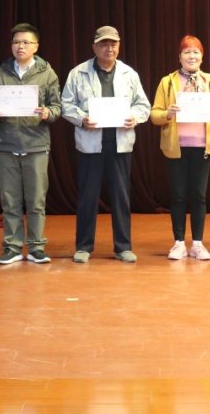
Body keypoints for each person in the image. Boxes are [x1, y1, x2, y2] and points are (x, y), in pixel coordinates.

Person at [61, 26, 150, 263]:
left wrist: (134, 117)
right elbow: (66, 105)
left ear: (119, 47)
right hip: (90, 144)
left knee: (121, 197)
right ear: (94, 47)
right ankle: (83, 247)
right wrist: (82, 118)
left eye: (113, 44)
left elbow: (143, 105)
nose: (109, 48)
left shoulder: (129, 74)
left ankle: (123, 247)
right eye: (103, 44)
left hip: (120, 144)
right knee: (87, 197)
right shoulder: (78, 73)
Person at [0, 23, 63, 265]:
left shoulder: (48, 74)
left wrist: (48, 113)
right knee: (10, 201)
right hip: (5, 144)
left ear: (36, 46)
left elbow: (57, 107)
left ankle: (36, 247)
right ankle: (12, 247)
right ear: (11, 46)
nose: (21, 46)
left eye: (26, 42)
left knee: (36, 201)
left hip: (36, 145)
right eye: (16, 42)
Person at [150, 36, 210, 260]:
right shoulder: (168, 82)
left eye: (196, 52)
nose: (191, 56)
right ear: (179, 57)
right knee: (178, 196)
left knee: (199, 196)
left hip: (202, 147)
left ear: (202, 56)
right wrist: (168, 113)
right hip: (176, 147)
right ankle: (178, 243)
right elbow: (154, 114)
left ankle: (197, 243)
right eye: (187, 52)